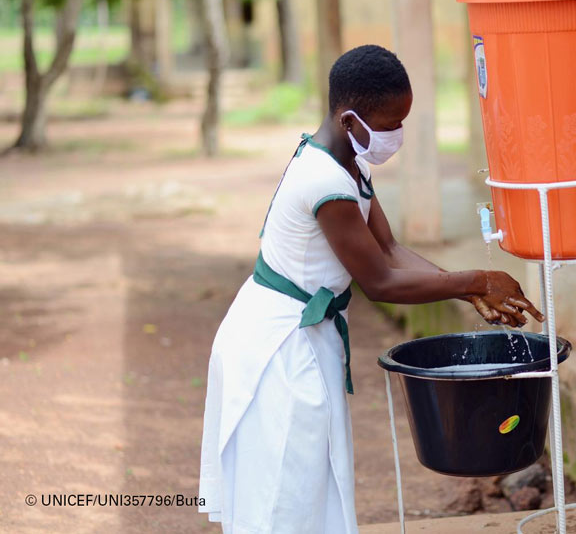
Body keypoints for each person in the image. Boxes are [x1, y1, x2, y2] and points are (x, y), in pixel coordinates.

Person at [198, 44, 543, 533]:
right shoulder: (324, 182)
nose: (396, 134)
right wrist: (476, 279)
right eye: (388, 125)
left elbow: (389, 249)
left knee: (311, 480)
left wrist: (470, 292)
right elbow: (379, 282)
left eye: (401, 122)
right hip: (277, 346)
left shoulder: (349, 164)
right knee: (284, 488)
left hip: (304, 336)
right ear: (349, 120)